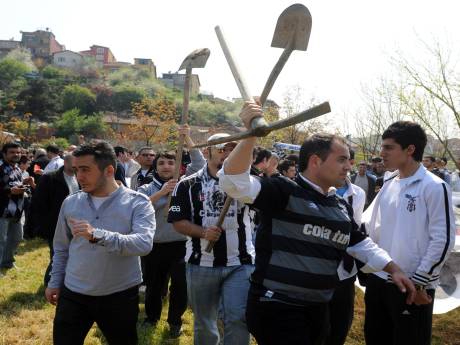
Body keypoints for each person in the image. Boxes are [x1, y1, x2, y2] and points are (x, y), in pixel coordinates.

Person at [218, 102, 416, 345]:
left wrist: (394, 269)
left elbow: (359, 243)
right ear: (315, 161)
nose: (349, 166)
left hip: (319, 308)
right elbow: (232, 183)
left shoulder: (338, 204)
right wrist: (250, 135)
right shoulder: (283, 191)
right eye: (342, 159)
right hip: (277, 307)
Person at [45, 142, 155, 345]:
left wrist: (97, 235)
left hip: (119, 294)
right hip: (74, 292)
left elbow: (143, 244)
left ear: (109, 170)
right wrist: (54, 282)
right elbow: (61, 248)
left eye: (85, 170)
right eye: (77, 170)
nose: (79, 176)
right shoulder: (71, 202)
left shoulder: (137, 203)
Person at [362, 121, 455, 345]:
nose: (381, 153)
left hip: (412, 285)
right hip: (378, 279)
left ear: (410, 149)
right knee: (375, 338)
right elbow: (371, 226)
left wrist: (421, 280)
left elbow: (443, 239)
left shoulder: (434, 186)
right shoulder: (389, 183)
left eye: (389, 147)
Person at [168, 133, 255, 345]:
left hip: (240, 263)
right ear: (207, 151)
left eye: (233, 150)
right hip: (201, 263)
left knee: (237, 319)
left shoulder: (249, 184)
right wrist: (203, 233)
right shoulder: (187, 185)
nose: (228, 154)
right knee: (205, 322)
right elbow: (177, 221)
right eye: (222, 149)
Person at [138, 151, 187, 337]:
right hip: (155, 245)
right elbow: (140, 208)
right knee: (154, 286)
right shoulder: (146, 188)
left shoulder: (184, 187)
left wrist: (187, 136)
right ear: (155, 167)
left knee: (180, 286)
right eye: (161, 163)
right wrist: (162, 193)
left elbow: (199, 163)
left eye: (170, 163)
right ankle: (151, 318)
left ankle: (175, 321)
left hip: (181, 245)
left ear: (177, 167)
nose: (166, 166)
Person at [326, 175, 366, 345]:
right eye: (339, 159)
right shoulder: (313, 189)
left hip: (346, 265)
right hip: (318, 263)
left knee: (340, 320)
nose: (346, 167)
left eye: (347, 160)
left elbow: (356, 227)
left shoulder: (358, 193)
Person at [31, 154, 78, 286]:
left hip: (75, 224)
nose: (76, 168)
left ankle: (61, 281)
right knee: (57, 254)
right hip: (55, 224)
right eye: (74, 165)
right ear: (66, 163)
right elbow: (39, 203)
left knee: (69, 254)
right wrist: (42, 225)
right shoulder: (50, 178)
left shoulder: (79, 178)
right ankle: (50, 282)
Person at [0, 143, 30, 270]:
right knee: (0, 241)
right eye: (12, 152)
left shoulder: (17, 169)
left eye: (18, 152)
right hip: (2, 210)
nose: (16, 154)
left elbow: (14, 183)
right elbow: (7, 187)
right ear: (4, 153)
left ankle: (7, 262)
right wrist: (10, 191)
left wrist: (25, 184)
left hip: (17, 210)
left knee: (17, 237)